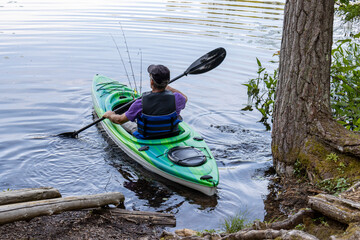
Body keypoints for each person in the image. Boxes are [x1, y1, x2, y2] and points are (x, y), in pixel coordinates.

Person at [103, 64, 187, 139]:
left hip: (146, 137)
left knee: (127, 122)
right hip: (170, 134)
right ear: (167, 82)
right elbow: (185, 98)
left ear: (151, 82)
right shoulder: (177, 98)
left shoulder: (140, 103)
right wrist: (169, 88)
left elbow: (119, 120)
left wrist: (110, 115)